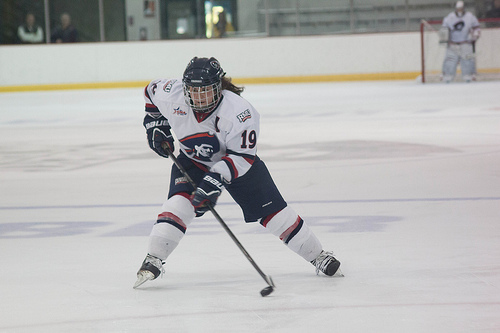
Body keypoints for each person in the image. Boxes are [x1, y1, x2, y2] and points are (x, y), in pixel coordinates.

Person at [134, 57, 342, 289]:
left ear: (219, 87)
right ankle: (153, 258)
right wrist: (155, 124)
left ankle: (318, 255)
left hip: (238, 164)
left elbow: (242, 157)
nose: (200, 97)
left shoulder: (241, 112)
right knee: (179, 205)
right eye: (194, 91)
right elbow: (150, 93)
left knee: (275, 215)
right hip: (193, 160)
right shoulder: (171, 93)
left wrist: (215, 179)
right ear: (185, 87)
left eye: (206, 91)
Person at [441, 1, 481, 82]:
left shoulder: (470, 17)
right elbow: (444, 29)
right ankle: (447, 79)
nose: (460, 10)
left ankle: (469, 79)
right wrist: (444, 36)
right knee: (449, 64)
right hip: (452, 44)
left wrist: (475, 35)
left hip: (465, 43)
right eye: (458, 8)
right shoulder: (450, 17)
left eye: (461, 8)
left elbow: (477, 28)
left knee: (467, 64)